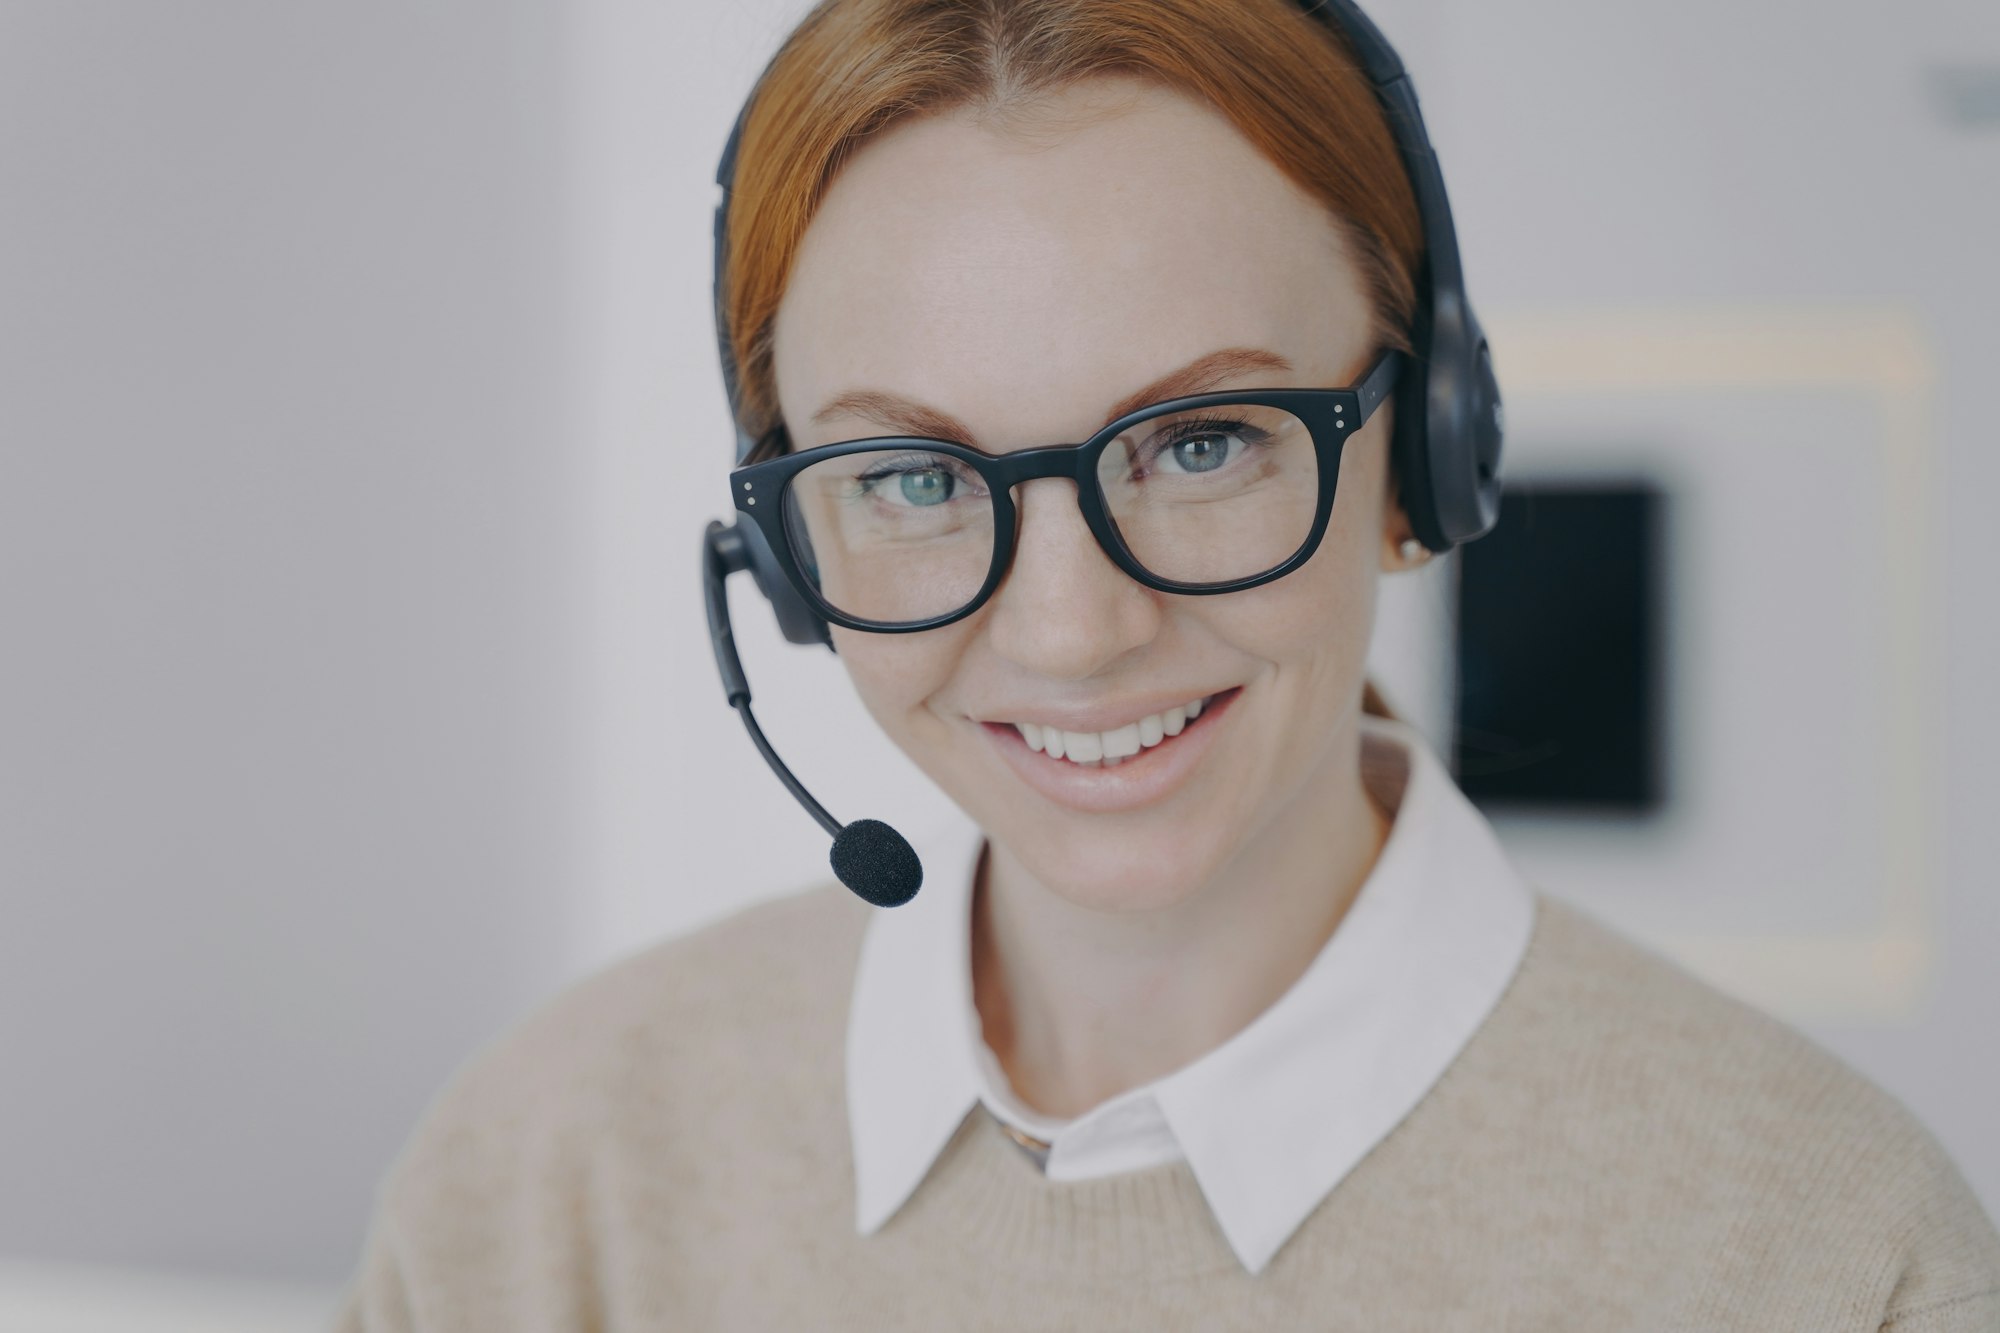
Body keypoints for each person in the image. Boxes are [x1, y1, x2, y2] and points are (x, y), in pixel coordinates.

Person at [335, 0, 2000, 1327]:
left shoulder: (1831, 1260)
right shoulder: (552, 1184)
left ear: (1423, 456)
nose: (1070, 629)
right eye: (914, 480)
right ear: (783, 560)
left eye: (1202, 443)